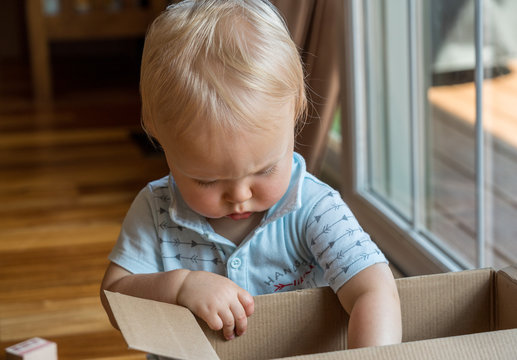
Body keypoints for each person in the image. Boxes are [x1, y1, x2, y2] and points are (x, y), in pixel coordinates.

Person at [100, 0, 402, 349]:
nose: (240, 195)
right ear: (157, 135)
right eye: (208, 180)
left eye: (264, 169)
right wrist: (180, 286)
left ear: (296, 110)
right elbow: (114, 297)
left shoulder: (315, 208)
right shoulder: (155, 210)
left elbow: (375, 290)